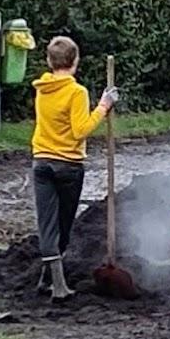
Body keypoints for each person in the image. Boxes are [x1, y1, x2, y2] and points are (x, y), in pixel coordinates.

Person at [31, 35, 118, 300]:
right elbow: (80, 130)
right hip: (68, 165)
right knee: (63, 225)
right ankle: (58, 287)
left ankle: (47, 280)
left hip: (41, 162)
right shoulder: (76, 92)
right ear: (75, 61)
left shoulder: (41, 88)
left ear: (49, 60)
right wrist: (104, 106)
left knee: (47, 225)